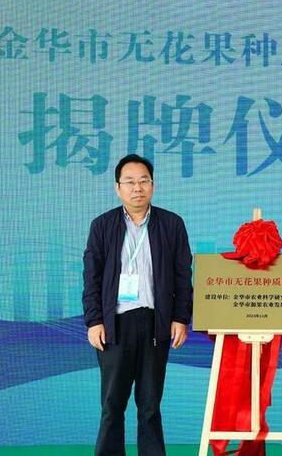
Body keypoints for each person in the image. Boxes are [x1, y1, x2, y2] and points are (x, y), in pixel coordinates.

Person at [82, 154, 193, 456]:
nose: (137, 188)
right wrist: (94, 321)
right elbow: (91, 277)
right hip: (114, 325)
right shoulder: (102, 225)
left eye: (144, 181)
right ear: (117, 188)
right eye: (129, 182)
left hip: (155, 323)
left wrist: (180, 318)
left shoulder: (171, 224)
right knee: (112, 405)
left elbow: (183, 275)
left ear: (153, 186)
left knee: (150, 405)